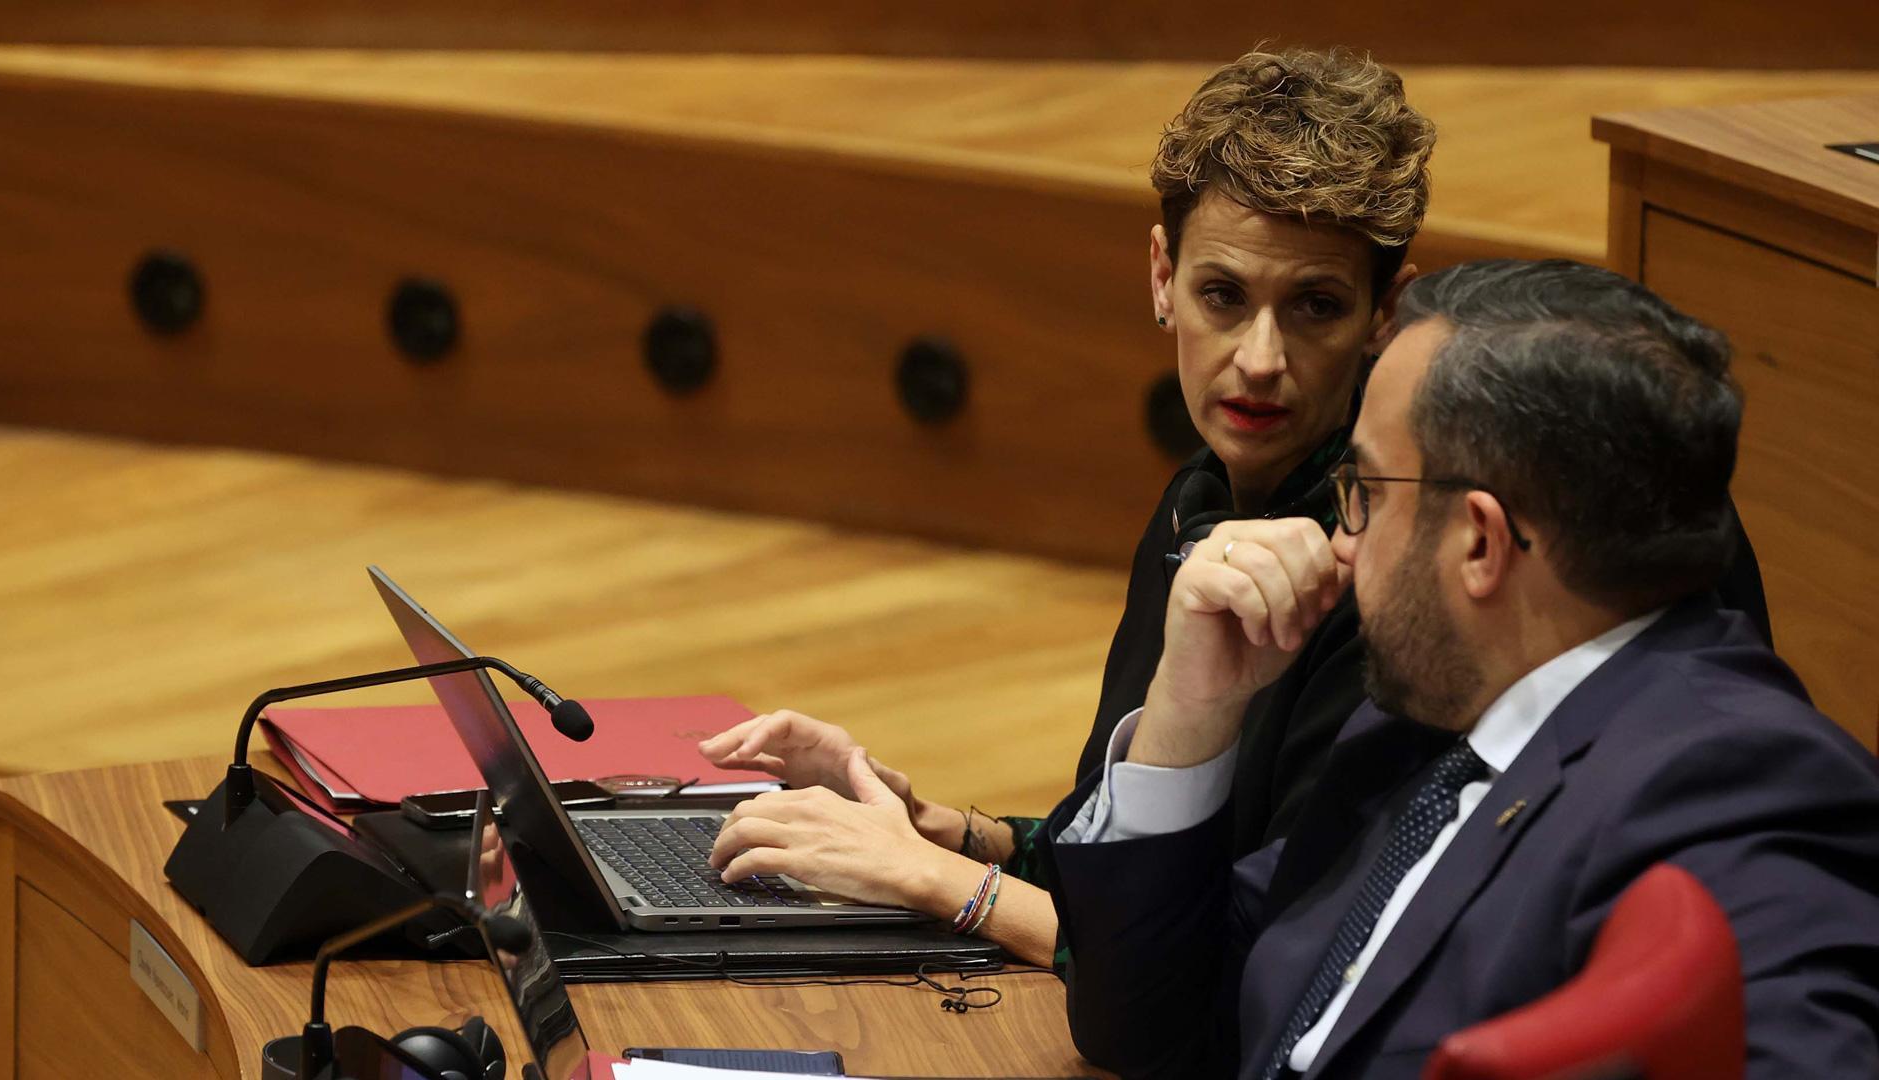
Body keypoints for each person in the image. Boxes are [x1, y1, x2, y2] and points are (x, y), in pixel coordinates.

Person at [1043, 259, 1879, 1078]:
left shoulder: (1735, 783)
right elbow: (1145, 1026)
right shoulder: (1419, 730)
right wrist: (1194, 709)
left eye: (1363, 491)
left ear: (1479, 540)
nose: (1341, 541)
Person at [698, 47, 1440, 967]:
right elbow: (1116, 850)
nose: (1258, 358)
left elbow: (1241, 978)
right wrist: (922, 822)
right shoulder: (1197, 498)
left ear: (1384, 315)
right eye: (1223, 295)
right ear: (1162, 275)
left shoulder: (1384, 578)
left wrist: (929, 881)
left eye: (1315, 306)